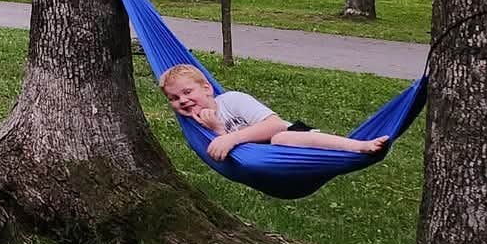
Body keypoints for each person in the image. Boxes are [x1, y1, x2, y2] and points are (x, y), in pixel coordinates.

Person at [158, 64, 389, 163]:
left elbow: (275, 125)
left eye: (188, 92)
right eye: (174, 99)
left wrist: (229, 137)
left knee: (281, 137)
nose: (183, 100)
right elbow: (230, 151)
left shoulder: (231, 100)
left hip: (294, 137)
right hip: (272, 160)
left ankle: (358, 146)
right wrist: (218, 130)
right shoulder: (196, 125)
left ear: (207, 88)